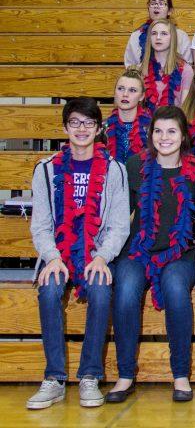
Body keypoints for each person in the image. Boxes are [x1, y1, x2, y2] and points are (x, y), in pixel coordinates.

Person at [26, 98, 130, 410]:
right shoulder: (45, 170)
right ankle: (54, 378)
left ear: (99, 129)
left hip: (97, 252)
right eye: (74, 122)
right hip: (58, 251)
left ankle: (89, 376)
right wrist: (52, 256)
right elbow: (41, 224)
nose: (81, 129)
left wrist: (102, 256)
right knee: (48, 291)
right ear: (64, 127)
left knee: (100, 291)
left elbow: (119, 225)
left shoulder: (115, 170)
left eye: (88, 123)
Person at [107, 106, 195, 403]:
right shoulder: (134, 165)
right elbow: (120, 213)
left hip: (180, 253)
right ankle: (125, 375)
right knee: (125, 290)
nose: (165, 137)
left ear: (183, 135)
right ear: (151, 135)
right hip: (139, 249)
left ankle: (180, 375)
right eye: (158, 131)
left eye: (172, 131)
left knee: (176, 288)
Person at [124, 0, 190, 66]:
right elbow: (129, 65)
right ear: (148, 8)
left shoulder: (181, 35)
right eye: (153, 3)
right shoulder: (136, 35)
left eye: (161, 3)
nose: (156, 6)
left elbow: (186, 63)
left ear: (169, 11)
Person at [140, 18, 194, 110]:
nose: (158, 37)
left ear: (172, 38)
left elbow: (185, 109)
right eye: (154, 33)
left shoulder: (186, 69)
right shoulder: (141, 68)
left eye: (164, 33)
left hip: (174, 121)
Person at [105, 68, 151, 164]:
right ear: (114, 92)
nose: (125, 94)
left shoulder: (151, 128)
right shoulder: (103, 128)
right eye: (121, 89)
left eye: (132, 90)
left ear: (142, 96)